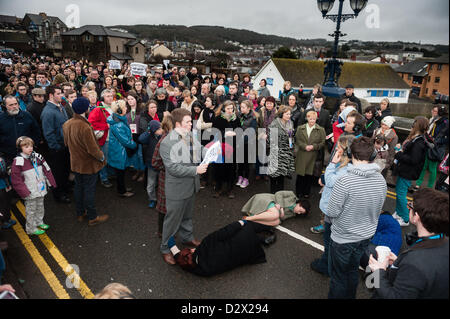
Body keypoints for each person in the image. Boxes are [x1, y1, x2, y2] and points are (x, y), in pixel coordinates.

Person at [326, 136, 387, 299]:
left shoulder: (344, 181)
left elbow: (331, 212)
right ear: (373, 156)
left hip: (343, 239)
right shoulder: (381, 179)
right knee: (352, 270)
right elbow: (379, 207)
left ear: (350, 154)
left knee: (338, 277)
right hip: (366, 236)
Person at [368, 188, 449, 299]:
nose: (408, 207)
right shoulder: (443, 242)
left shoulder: (414, 263)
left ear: (416, 217)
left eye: (410, 206)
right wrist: (399, 263)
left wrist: (378, 272)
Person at [159, 108, 208, 265]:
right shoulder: (166, 143)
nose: (190, 125)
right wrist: (196, 170)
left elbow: (200, 150)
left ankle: (187, 238)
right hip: (177, 189)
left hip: (191, 186)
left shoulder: (189, 136)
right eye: (188, 122)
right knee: (172, 221)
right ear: (178, 124)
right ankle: (165, 248)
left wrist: (211, 151)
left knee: (187, 216)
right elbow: (173, 168)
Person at [310, 135, 355, 274]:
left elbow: (330, 181)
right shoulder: (344, 164)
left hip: (333, 209)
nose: (337, 149)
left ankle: (327, 266)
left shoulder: (347, 168)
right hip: (334, 207)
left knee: (330, 241)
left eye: (340, 147)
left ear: (347, 151)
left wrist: (331, 165)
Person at [168, 220, 274, 277]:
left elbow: (180, 259)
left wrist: (174, 251)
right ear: (191, 251)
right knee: (247, 225)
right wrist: (240, 222)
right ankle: (269, 228)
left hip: (246, 255)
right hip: (244, 240)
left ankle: (262, 239)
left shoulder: (201, 270)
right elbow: (224, 232)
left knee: (241, 243)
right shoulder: (205, 245)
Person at [62, 98, 109, 226]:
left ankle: (80, 213)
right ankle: (92, 217)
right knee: (89, 190)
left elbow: (66, 143)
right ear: (85, 109)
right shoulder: (85, 126)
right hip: (88, 164)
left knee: (78, 188)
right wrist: (102, 157)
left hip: (76, 162)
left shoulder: (67, 124)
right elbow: (93, 149)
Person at [10, 137, 56, 235]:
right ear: (20, 148)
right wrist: (24, 192)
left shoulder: (38, 157)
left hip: (40, 188)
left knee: (40, 206)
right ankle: (31, 228)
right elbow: (15, 179)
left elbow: (47, 169)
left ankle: (39, 222)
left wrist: (50, 182)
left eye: (31, 146)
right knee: (31, 210)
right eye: (26, 146)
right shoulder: (18, 161)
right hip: (29, 191)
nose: (30, 148)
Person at [392, 117, 430, 227]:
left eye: (414, 124)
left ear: (417, 126)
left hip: (407, 172)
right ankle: (399, 213)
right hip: (405, 170)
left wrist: (398, 153)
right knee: (399, 193)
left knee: (401, 194)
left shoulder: (419, 142)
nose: (412, 125)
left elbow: (414, 160)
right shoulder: (418, 139)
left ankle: (405, 218)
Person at [40, 85, 71, 203]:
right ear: (51, 96)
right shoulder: (48, 112)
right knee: (58, 173)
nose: (62, 96)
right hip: (58, 148)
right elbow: (48, 133)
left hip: (65, 145)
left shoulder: (60, 107)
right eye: (58, 94)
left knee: (65, 170)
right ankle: (59, 195)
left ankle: (65, 188)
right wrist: (57, 147)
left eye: (61, 93)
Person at [107, 100, 137, 197]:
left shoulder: (118, 120)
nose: (126, 108)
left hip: (119, 150)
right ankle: (122, 191)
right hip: (119, 152)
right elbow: (125, 141)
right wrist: (134, 145)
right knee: (120, 173)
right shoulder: (118, 125)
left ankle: (122, 187)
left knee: (121, 172)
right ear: (119, 110)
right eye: (124, 107)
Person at [415, 105, 449, 190]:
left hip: (436, 148)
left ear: (440, 113)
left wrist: (437, 141)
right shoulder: (432, 120)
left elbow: (447, 139)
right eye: (433, 110)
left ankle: (429, 187)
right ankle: (418, 183)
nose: (433, 112)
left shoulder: (445, 123)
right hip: (427, 145)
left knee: (432, 168)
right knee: (423, 165)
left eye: (435, 111)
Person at [0, 95, 41, 165]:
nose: (14, 106)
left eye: (16, 104)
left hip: (28, 155)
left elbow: (36, 131)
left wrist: (32, 146)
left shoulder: (27, 116)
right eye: (11, 105)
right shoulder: (1, 119)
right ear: (5, 106)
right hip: (8, 157)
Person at [151, 115, 175, 238]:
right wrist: (168, 167)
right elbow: (154, 162)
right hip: (165, 178)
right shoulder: (163, 141)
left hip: (175, 179)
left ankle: (170, 229)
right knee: (164, 207)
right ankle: (161, 231)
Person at [212, 100, 241, 199]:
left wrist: (236, 134)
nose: (230, 110)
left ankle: (230, 189)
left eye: (231, 108)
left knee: (231, 169)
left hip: (232, 147)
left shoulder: (236, 119)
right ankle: (218, 188)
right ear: (224, 108)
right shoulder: (218, 118)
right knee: (219, 167)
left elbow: (240, 131)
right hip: (220, 146)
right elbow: (213, 132)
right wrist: (224, 133)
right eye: (228, 108)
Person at [295, 110, 326, 198]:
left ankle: (306, 192)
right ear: (307, 118)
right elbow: (297, 140)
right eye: (310, 118)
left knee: (309, 175)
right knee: (300, 175)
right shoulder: (300, 128)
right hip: (302, 154)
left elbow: (322, 143)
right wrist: (304, 146)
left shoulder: (320, 130)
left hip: (313, 155)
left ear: (316, 119)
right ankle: (298, 192)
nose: (312, 121)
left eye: (314, 119)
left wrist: (314, 146)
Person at [88, 89, 115, 188]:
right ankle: (104, 178)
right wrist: (105, 126)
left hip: (114, 138)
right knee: (103, 159)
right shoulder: (98, 109)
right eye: (108, 96)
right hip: (105, 138)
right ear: (103, 97)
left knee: (111, 157)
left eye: (111, 95)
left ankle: (109, 174)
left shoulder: (114, 107)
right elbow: (90, 123)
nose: (110, 97)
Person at [267, 105, 295, 194]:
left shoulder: (290, 123)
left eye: (290, 114)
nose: (289, 116)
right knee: (274, 175)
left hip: (286, 153)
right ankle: (273, 194)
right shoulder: (275, 124)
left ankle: (279, 194)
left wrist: (291, 145)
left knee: (282, 175)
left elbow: (291, 136)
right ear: (281, 114)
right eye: (287, 114)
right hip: (276, 153)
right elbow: (271, 140)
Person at [241, 190, 310, 226]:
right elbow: (278, 194)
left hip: (274, 210)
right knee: (275, 215)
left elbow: (282, 218)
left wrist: (282, 216)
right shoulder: (292, 195)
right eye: (300, 210)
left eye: (300, 213)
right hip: (268, 200)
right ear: (300, 204)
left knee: (276, 222)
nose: (298, 213)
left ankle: (252, 220)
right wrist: (281, 208)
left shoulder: (293, 214)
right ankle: (247, 218)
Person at [139, 120, 163, 209]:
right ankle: (152, 199)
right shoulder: (149, 137)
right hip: (151, 165)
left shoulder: (163, 136)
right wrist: (148, 131)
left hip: (161, 164)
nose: (161, 130)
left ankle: (162, 200)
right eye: (158, 129)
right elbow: (141, 139)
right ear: (153, 130)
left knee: (162, 184)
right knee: (150, 185)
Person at [236, 100, 257, 189]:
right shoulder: (240, 116)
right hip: (240, 142)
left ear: (248, 108)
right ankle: (240, 176)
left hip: (248, 143)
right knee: (240, 162)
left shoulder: (253, 118)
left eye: (243, 107)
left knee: (246, 162)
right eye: (241, 107)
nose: (241, 109)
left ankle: (246, 179)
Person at [125, 91, 145, 182]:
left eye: (132, 99)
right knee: (135, 155)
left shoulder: (142, 109)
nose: (130, 101)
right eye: (128, 99)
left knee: (141, 155)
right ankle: (137, 170)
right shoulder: (126, 110)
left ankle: (143, 172)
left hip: (140, 135)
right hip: (131, 136)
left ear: (136, 99)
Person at [256, 96, 277, 180]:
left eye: (270, 103)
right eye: (267, 103)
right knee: (260, 155)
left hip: (272, 137)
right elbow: (257, 124)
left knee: (268, 156)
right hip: (261, 136)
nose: (269, 105)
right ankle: (258, 173)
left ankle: (265, 173)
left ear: (273, 104)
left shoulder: (277, 112)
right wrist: (261, 134)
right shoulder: (261, 111)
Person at [372, 116, 398, 182]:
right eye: (382, 124)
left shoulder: (394, 136)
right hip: (373, 156)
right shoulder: (377, 131)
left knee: (380, 177)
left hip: (383, 159)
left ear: (389, 126)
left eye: (385, 125)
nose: (383, 126)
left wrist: (389, 163)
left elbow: (392, 151)